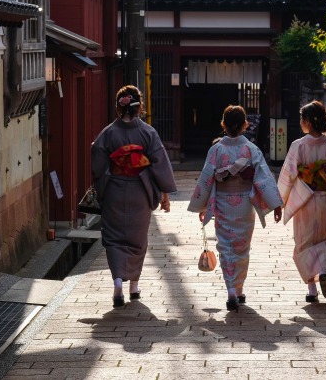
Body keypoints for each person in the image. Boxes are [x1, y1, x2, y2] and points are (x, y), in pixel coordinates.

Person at [188, 105, 283, 311]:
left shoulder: (216, 150)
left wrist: (204, 205)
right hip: (244, 203)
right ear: (245, 125)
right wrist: (275, 204)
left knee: (225, 247)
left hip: (222, 201)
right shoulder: (251, 149)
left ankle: (231, 289)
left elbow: (206, 180)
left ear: (223, 124)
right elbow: (263, 178)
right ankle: (238, 290)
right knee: (242, 247)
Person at [91, 85, 177, 308]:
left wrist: (104, 183)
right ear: (140, 107)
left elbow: (98, 165)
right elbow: (159, 164)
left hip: (114, 191)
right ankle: (134, 287)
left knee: (113, 238)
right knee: (137, 239)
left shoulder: (107, 133)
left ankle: (118, 282)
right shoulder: (148, 133)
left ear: (119, 106)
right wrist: (165, 194)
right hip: (140, 190)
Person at [277, 100, 326, 303]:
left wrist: (279, 201)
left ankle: (312, 289)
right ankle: (323, 270)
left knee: (304, 243)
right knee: (325, 239)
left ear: (307, 121)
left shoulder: (298, 146)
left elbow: (288, 176)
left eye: (302, 119)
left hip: (304, 202)